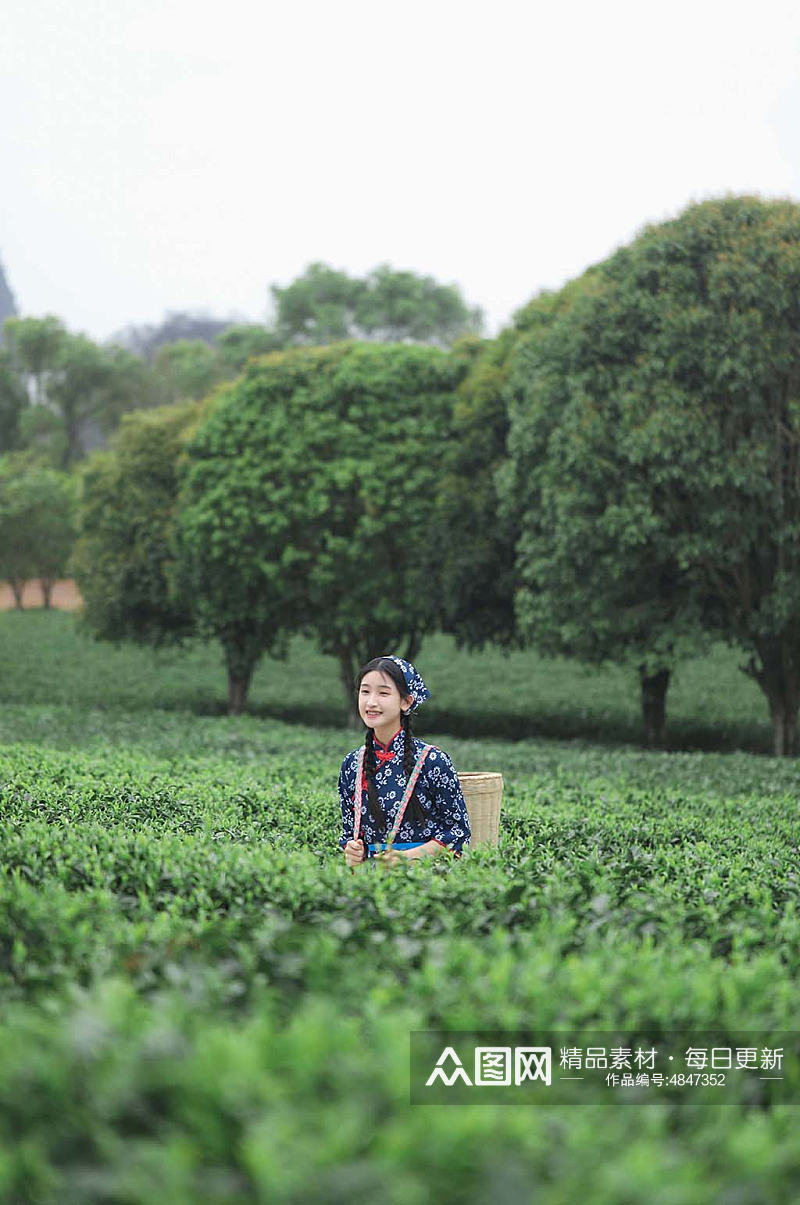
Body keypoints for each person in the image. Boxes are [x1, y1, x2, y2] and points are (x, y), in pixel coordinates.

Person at [339, 654, 471, 868]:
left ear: (406, 701)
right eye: (365, 691)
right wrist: (353, 851)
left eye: (383, 693)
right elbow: (350, 834)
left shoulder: (433, 761)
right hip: (370, 884)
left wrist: (406, 858)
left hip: (425, 878)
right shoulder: (352, 764)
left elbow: (457, 834)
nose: (371, 702)